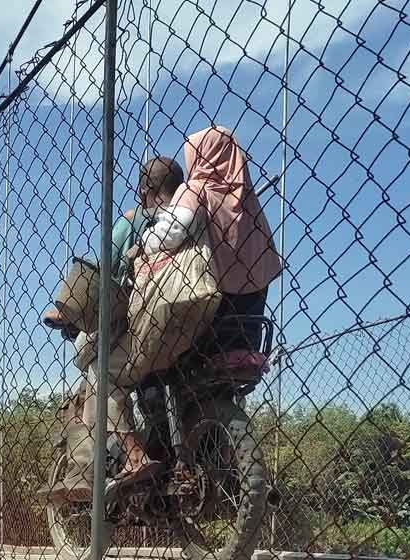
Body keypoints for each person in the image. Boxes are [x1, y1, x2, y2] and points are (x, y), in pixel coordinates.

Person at [42, 156, 186, 502]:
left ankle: (99, 466)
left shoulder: (130, 223)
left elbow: (104, 279)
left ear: (143, 189)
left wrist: (72, 313)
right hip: (184, 324)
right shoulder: (191, 217)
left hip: (135, 321)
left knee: (96, 370)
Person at [141, 125, 281, 342]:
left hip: (214, 302)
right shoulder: (250, 203)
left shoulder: (196, 188)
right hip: (252, 306)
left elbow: (175, 228)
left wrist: (146, 241)